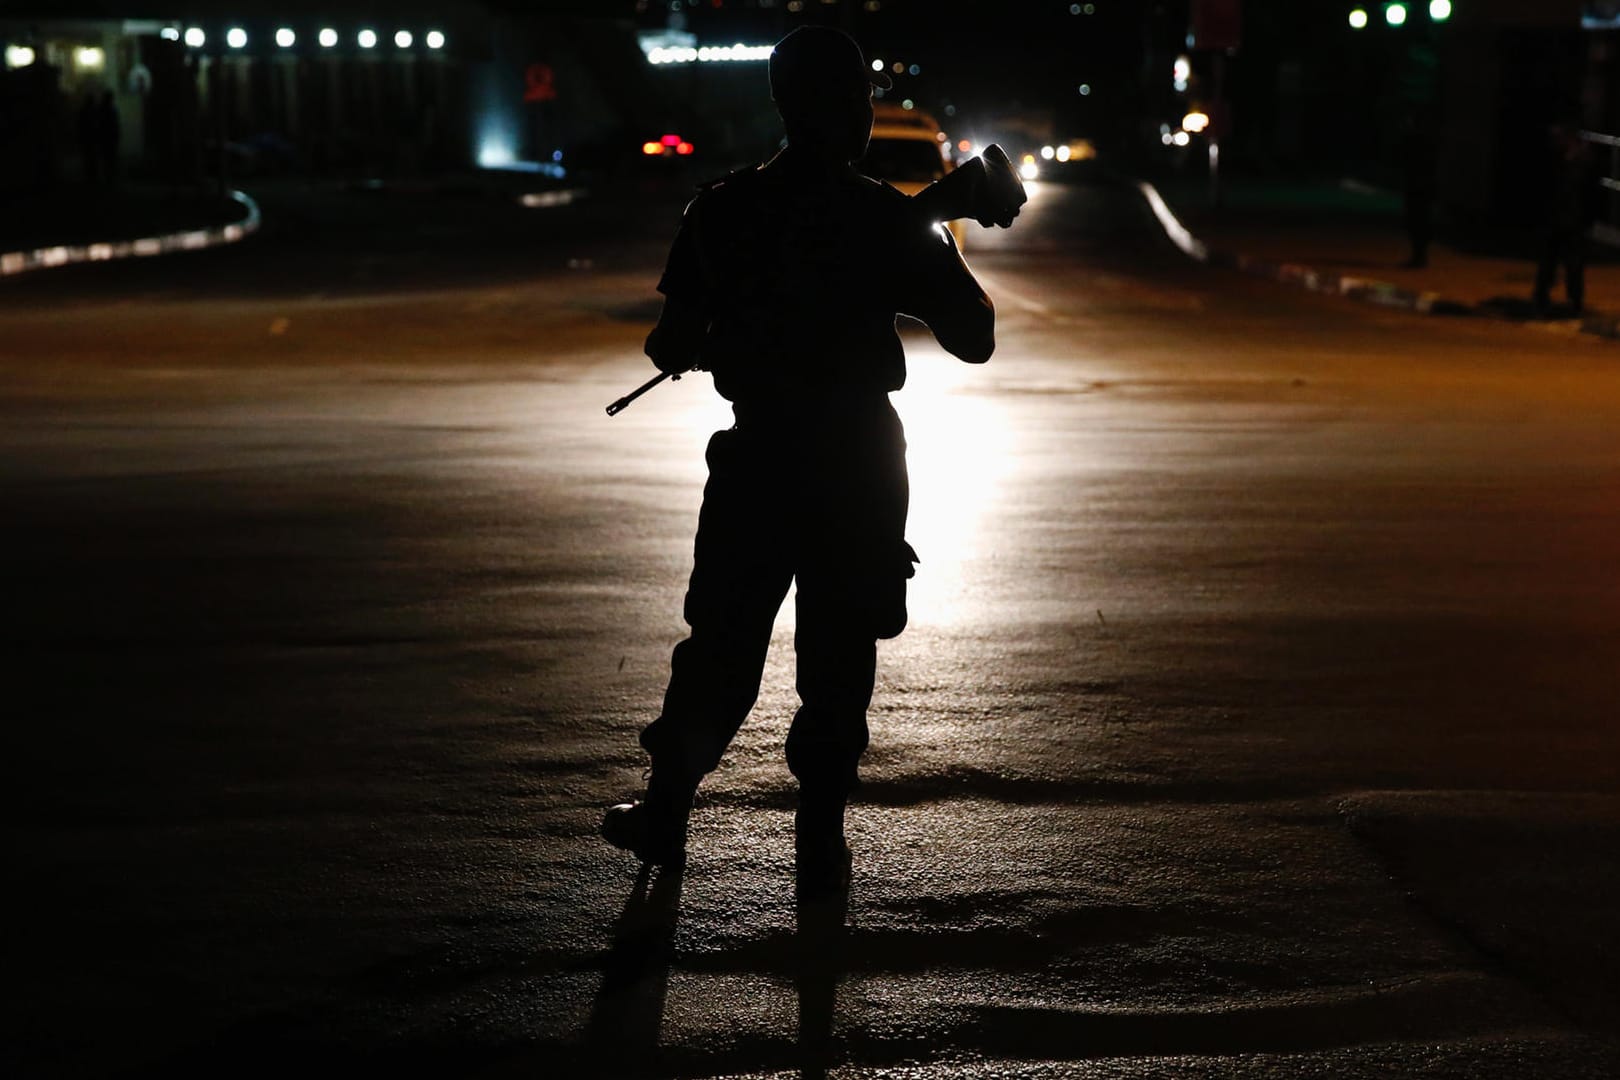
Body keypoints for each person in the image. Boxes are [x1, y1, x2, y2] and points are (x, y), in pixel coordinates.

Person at [602, 26, 1005, 895]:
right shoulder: (882, 218)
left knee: (721, 643)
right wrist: (910, 244)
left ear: (783, 106)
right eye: (861, 98)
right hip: (856, 461)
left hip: (761, 455)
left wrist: (728, 332)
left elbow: (667, 340)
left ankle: (667, 806)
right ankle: (820, 831)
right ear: (852, 110)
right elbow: (974, 338)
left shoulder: (723, 211)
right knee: (838, 650)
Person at [1533, 120, 1599, 317]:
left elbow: (1590, 193)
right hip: (1557, 218)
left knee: (1573, 263)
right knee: (1550, 261)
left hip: (1573, 220)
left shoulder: (1582, 161)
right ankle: (1542, 298)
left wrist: (1588, 219)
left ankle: (1574, 301)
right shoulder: (1558, 159)